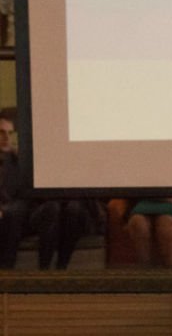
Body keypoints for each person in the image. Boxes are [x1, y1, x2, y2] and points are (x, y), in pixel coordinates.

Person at [0, 109, 100, 271]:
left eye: (10, 133)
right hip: (25, 211)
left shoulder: (63, 154)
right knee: (26, 209)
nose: (6, 138)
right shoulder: (14, 158)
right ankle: (26, 269)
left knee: (68, 209)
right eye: (2, 133)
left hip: (66, 208)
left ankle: (55, 269)